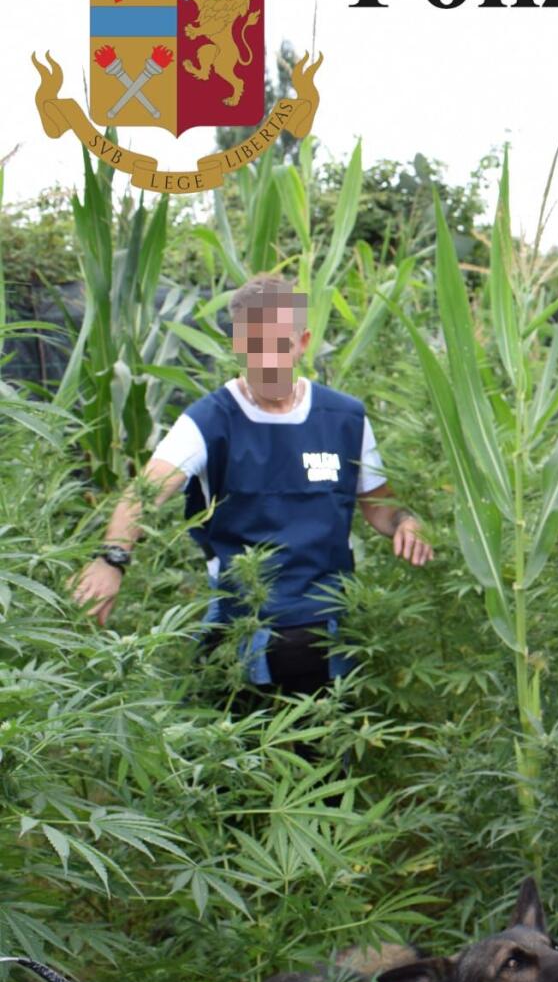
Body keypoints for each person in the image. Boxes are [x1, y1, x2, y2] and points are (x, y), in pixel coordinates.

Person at [72, 272, 433, 692]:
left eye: (280, 345)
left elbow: (379, 505)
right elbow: (144, 492)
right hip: (242, 619)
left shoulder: (344, 418)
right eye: (256, 345)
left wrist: (405, 521)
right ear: (238, 344)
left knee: (318, 710)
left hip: (327, 618)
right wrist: (111, 559)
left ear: (302, 342)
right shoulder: (209, 420)